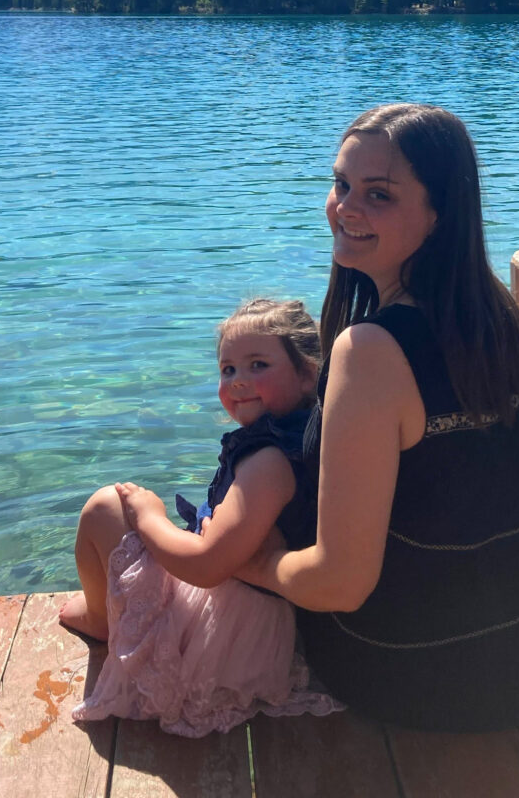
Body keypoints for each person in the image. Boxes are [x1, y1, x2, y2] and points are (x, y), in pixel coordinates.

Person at [239, 103, 519, 731]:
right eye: (341, 184)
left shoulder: (370, 350)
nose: (345, 207)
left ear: (438, 213)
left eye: (379, 194)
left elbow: (340, 584)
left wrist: (257, 563)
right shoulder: (498, 315)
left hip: (420, 673)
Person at [61, 298, 343, 737]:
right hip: (264, 624)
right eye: (228, 370)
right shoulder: (305, 436)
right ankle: (104, 613)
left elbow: (207, 566)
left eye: (257, 365)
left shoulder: (268, 462)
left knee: (105, 508)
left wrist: (149, 516)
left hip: (229, 643)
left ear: (308, 374)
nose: (238, 380)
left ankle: (101, 619)